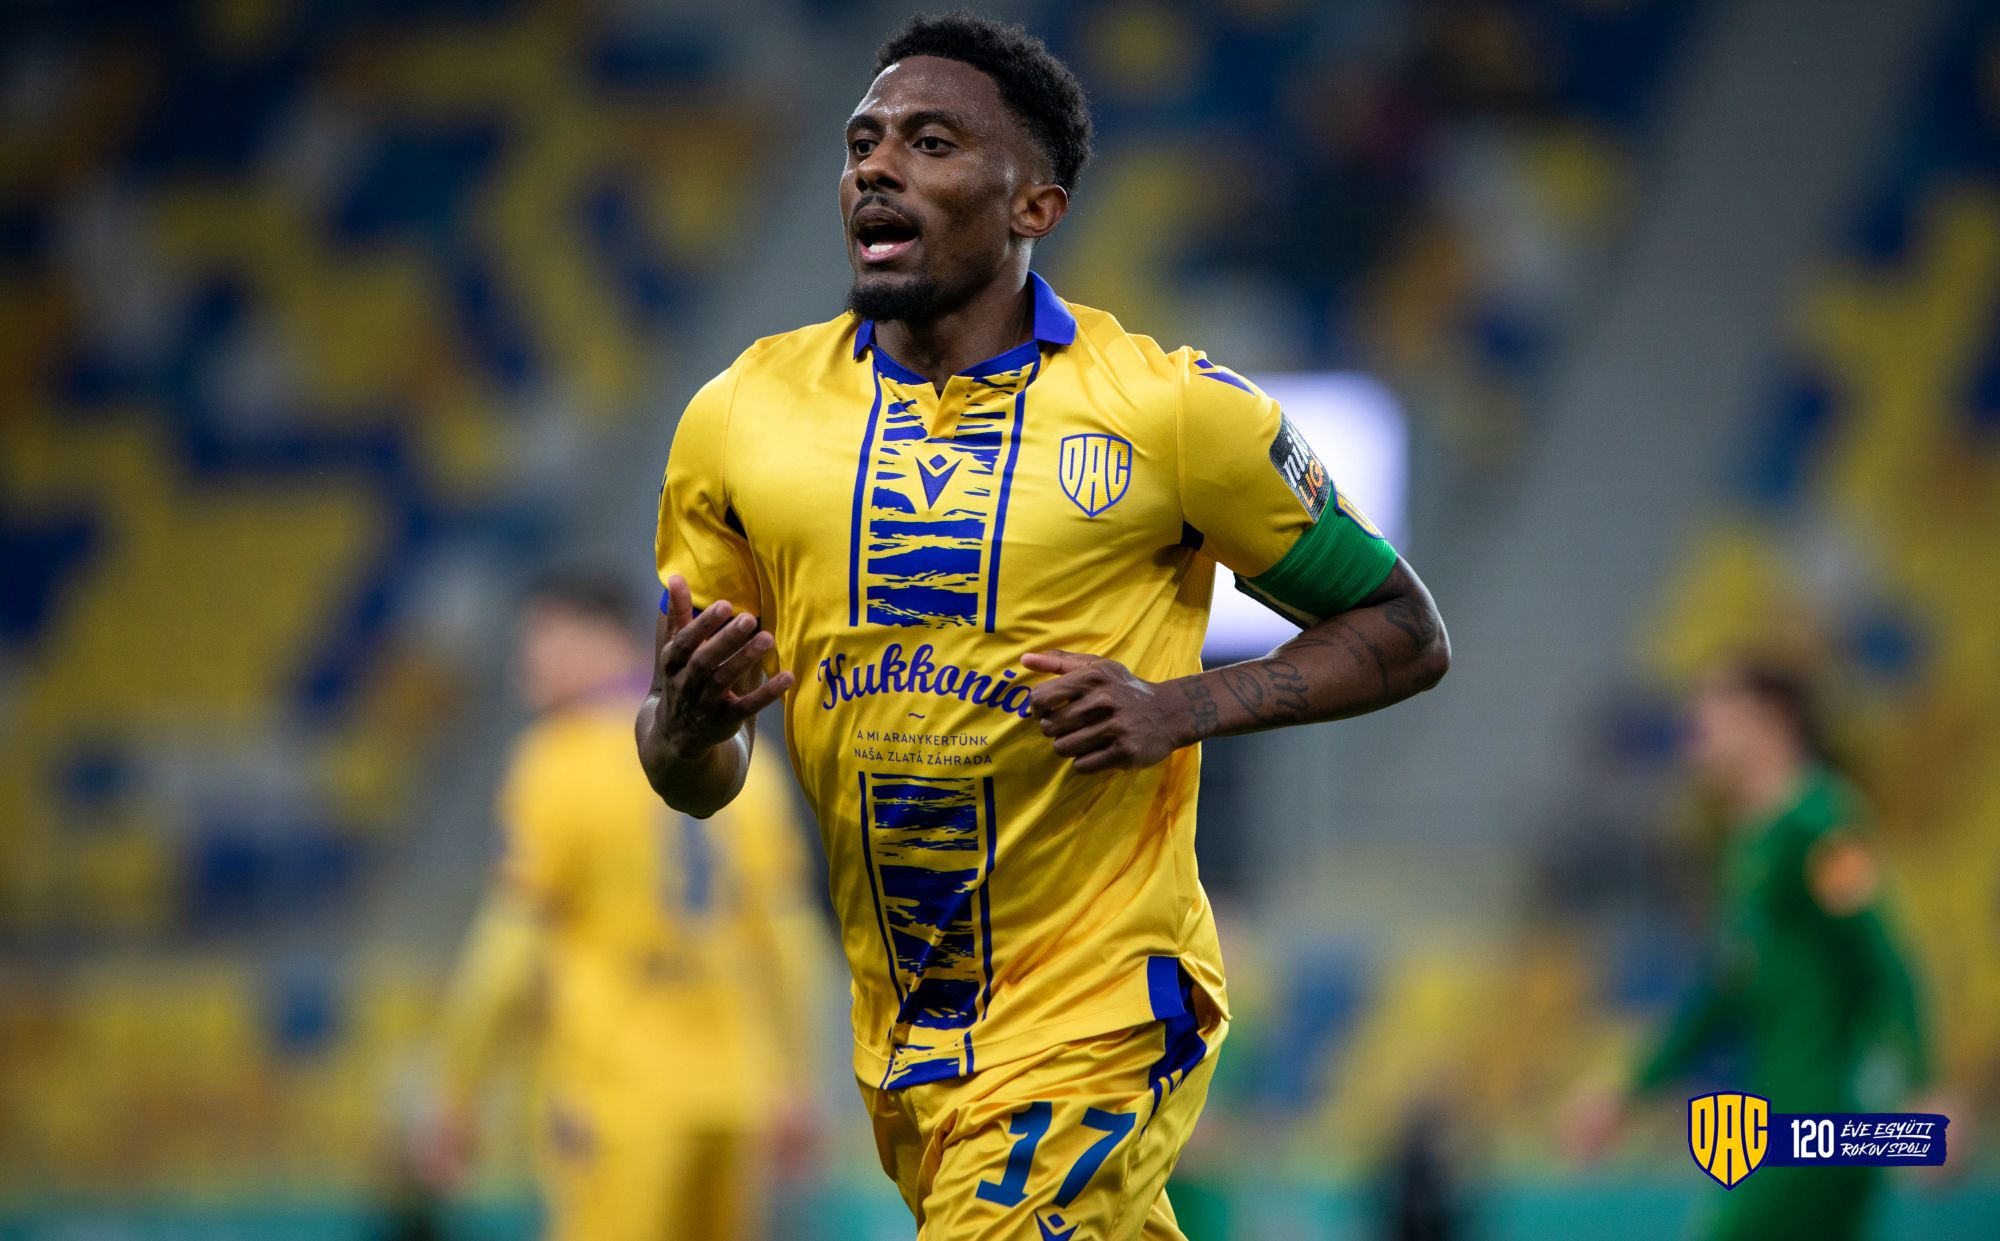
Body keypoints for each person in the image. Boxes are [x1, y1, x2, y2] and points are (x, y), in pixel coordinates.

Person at [639, 13, 1451, 1239]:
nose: (876, 167)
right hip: (911, 1043)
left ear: (1035, 205)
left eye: (929, 143)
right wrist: (687, 725)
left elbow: (1401, 628)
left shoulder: (1172, 413)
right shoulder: (738, 416)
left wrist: (1175, 706)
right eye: (861, 143)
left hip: (1103, 1011)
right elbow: (692, 775)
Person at [419, 572, 822, 1241]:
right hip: (738, 1093)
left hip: (616, 1098)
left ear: (605, 640)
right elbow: (788, 938)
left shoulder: (558, 759)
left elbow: (508, 951)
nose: (526, 663)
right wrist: (797, 1082)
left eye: (544, 639)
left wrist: (456, 1094)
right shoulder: (746, 766)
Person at [1566, 661, 1935, 1240]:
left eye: (1709, 722)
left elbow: (1883, 956)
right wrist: (1630, 1093)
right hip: (1787, 1110)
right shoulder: (1751, 841)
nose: (1694, 740)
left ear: (1768, 722)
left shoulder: (1819, 821)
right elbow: (1724, 989)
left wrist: (1925, 1090)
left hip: (1833, 1115)